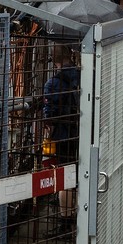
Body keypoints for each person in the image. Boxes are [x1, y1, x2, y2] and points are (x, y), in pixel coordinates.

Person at [42, 47, 82, 233]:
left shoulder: (53, 83)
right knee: (79, 174)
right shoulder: (82, 75)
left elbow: (49, 115)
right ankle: (77, 214)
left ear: (54, 60)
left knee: (64, 177)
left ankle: (65, 221)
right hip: (82, 132)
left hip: (63, 134)